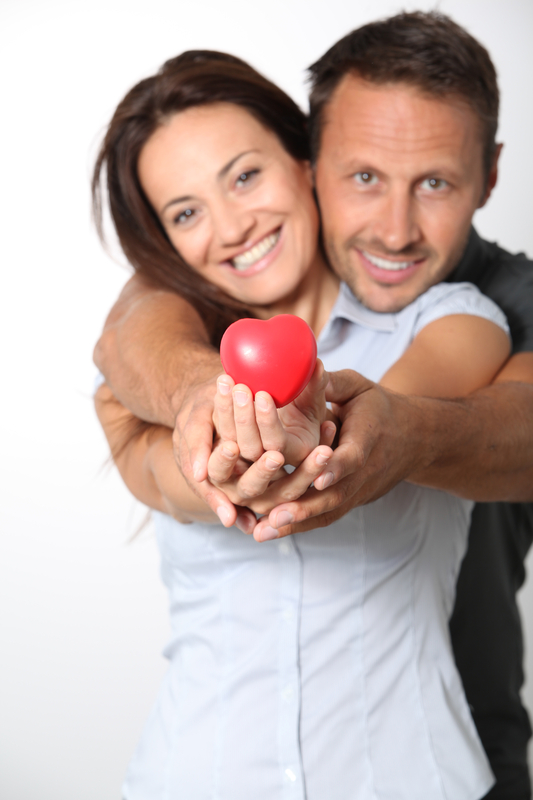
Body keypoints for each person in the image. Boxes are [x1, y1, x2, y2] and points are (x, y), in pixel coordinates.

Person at [93, 12, 533, 799]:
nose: (233, 225)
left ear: (300, 166)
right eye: (185, 212)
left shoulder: (461, 314)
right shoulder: (155, 359)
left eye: (244, 176)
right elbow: (162, 461)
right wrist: (213, 448)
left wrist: (327, 435)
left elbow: (424, 412)